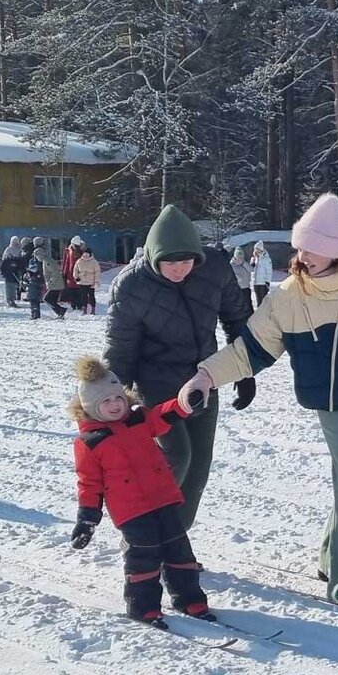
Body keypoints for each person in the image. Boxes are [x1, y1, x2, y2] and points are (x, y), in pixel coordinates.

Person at [177, 193, 338, 614]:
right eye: (299, 246)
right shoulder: (288, 296)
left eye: (310, 249)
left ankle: (333, 557)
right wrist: (206, 375)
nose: (301, 256)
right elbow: (250, 350)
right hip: (332, 400)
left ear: (335, 249)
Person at [104, 204, 253, 532]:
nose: (179, 270)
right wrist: (113, 403)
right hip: (155, 385)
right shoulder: (131, 286)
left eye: (186, 262)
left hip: (204, 379)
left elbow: (238, 318)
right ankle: (142, 535)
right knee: (176, 458)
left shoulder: (214, 268)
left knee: (199, 466)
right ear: (155, 257)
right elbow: (120, 352)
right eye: (170, 263)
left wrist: (245, 372)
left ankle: (175, 544)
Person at [68, 356, 211, 626]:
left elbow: (163, 415)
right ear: (90, 407)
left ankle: (189, 598)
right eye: (105, 402)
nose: (114, 405)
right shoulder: (89, 442)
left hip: (163, 498)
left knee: (179, 548)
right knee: (144, 555)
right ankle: (142, 606)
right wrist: (87, 519)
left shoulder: (139, 419)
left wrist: (183, 404)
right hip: (131, 511)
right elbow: (89, 483)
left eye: (118, 399)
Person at [36, 246, 67, 318]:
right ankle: (60, 313)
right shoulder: (46, 260)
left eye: (37, 256)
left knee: (47, 299)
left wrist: (50, 282)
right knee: (52, 300)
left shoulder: (47, 261)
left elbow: (55, 272)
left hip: (55, 284)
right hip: (56, 283)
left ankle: (61, 310)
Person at [73, 247, 101, 315]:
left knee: (91, 296)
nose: (85, 255)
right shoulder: (79, 261)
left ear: (90, 254)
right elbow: (75, 270)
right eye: (84, 254)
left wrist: (96, 281)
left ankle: (93, 310)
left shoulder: (94, 262)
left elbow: (97, 272)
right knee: (83, 297)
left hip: (91, 282)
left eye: (87, 254)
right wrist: (76, 277)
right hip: (82, 281)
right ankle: (84, 310)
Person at [62, 236, 85, 310]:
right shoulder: (82, 252)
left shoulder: (69, 251)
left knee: (73, 290)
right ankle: (78, 305)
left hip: (71, 274)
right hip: (79, 275)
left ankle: (74, 305)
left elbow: (66, 263)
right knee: (78, 291)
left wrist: (64, 273)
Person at [0, 236, 24, 308]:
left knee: (14, 286)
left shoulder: (19, 250)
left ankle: (13, 299)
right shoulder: (8, 250)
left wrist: (19, 269)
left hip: (15, 272)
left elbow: (20, 261)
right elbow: (3, 262)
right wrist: (4, 272)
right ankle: (9, 299)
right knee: (8, 286)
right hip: (8, 272)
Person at [24, 246, 45, 320]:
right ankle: (36, 313)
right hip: (40, 281)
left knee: (33, 299)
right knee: (36, 299)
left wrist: (28, 270)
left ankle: (35, 314)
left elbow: (34, 269)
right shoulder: (44, 261)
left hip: (34, 281)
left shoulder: (34, 261)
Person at [230, 246, 253, 312]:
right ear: (235, 257)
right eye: (239, 257)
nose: (240, 258)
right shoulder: (231, 265)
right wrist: (237, 278)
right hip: (238, 289)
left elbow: (251, 270)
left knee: (248, 304)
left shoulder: (244, 263)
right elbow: (231, 276)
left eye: (241, 257)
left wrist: (243, 263)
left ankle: (251, 318)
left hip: (246, 287)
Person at [251, 240, 273, 306]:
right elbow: (253, 271)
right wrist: (252, 264)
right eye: (255, 249)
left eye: (257, 249)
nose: (256, 251)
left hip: (263, 283)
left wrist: (267, 282)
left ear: (261, 249)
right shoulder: (255, 258)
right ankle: (259, 315)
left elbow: (269, 271)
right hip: (256, 283)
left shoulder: (266, 259)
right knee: (258, 302)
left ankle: (264, 314)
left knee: (263, 302)